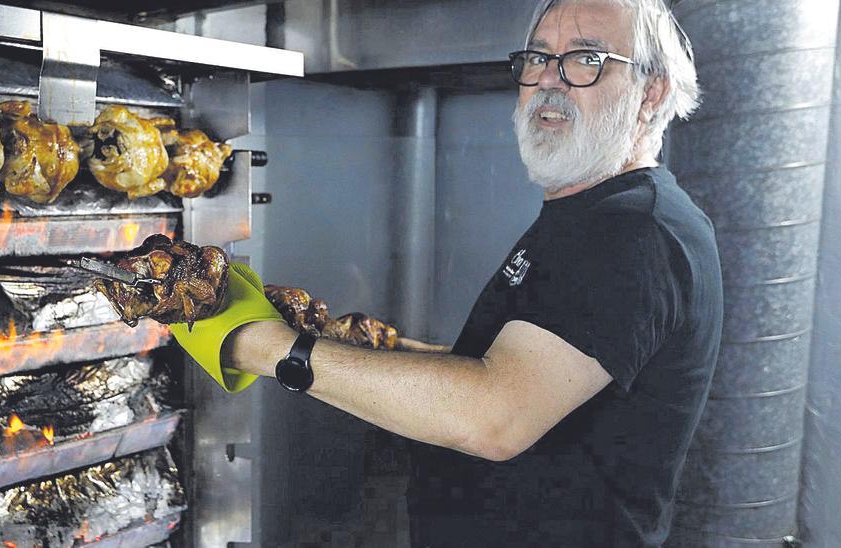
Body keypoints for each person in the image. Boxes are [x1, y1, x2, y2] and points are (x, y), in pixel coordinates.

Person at [169, 0, 722, 546]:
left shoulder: (632, 231)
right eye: (537, 57)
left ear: (652, 93)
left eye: (585, 59)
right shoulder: (591, 215)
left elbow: (495, 417)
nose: (548, 80)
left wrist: (272, 351)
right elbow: (509, 368)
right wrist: (358, 346)